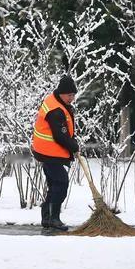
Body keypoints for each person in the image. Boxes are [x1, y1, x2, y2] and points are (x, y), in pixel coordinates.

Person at [31, 74, 79, 231]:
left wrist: (72, 142)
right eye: (69, 95)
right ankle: (54, 218)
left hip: (45, 151)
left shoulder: (54, 100)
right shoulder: (56, 110)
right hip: (50, 152)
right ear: (61, 93)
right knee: (62, 183)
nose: (72, 98)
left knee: (54, 184)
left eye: (73, 95)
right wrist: (74, 146)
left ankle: (47, 218)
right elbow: (60, 135)